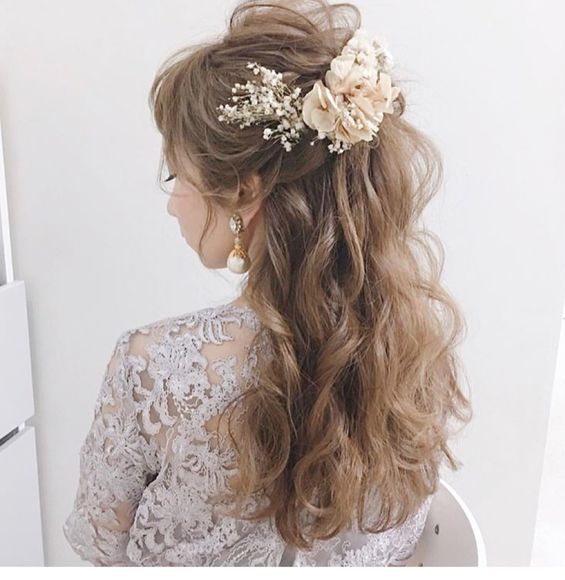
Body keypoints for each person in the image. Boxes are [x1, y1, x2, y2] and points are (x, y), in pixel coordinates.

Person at [63, 0, 473, 566]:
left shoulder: (153, 369)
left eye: (177, 174)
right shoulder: (416, 352)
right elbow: (401, 544)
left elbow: (100, 544)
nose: (173, 203)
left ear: (244, 191)